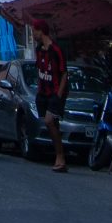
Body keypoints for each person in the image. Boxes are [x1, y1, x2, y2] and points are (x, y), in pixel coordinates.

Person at [34, 23, 70, 174]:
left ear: (41, 32)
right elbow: (39, 69)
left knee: (50, 120)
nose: (33, 35)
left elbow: (64, 73)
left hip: (55, 92)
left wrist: (59, 94)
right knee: (51, 123)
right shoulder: (39, 50)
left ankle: (60, 156)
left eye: (34, 31)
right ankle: (59, 155)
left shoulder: (56, 50)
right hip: (44, 92)